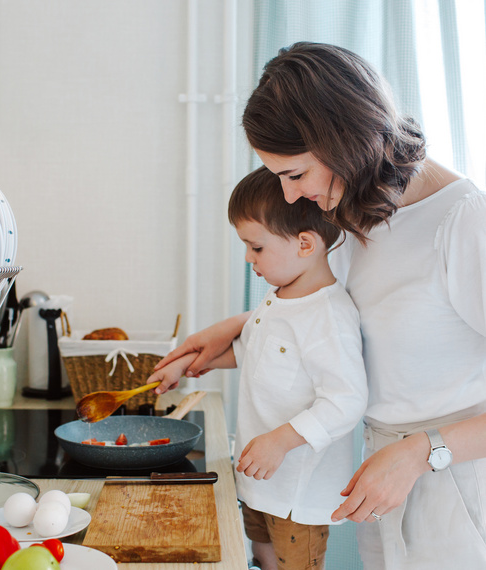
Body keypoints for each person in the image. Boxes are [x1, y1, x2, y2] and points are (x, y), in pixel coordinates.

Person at [155, 42, 486, 569]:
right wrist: (240, 331)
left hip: (452, 481)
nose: (290, 198)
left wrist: (422, 452)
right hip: (382, 466)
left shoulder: (463, 221)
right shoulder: (356, 209)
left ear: (343, 140)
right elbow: (356, 319)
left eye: (294, 175)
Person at [148, 165, 368, 570]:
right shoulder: (278, 298)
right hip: (258, 481)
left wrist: (280, 441)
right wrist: (188, 365)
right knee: (261, 556)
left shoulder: (327, 317)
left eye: (257, 247)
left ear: (305, 244)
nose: (249, 258)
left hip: (295, 497)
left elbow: (346, 401)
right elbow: (252, 352)